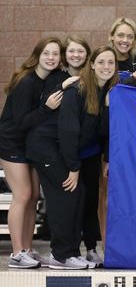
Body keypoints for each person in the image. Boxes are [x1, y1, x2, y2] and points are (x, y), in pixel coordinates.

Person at [30, 46, 119, 270]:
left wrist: (108, 107)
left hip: (68, 151)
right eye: (101, 62)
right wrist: (73, 167)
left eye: (110, 63)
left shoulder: (106, 92)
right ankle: (61, 255)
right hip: (48, 147)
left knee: (79, 195)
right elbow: (68, 131)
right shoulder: (78, 89)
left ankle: (72, 252)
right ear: (91, 64)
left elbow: (101, 131)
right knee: (69, 195)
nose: (106, 67)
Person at [0, 37, 63, 268]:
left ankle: (27, 249)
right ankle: (17, 253)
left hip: (30, 145)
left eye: (55, 54)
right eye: (47, 53)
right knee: (23, 195)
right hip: (12, 143)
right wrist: (48, 108)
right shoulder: (26, 82)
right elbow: (22, 121)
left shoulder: (48, 80)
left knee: (34, 197)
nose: (51, 58)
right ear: (38, 55)